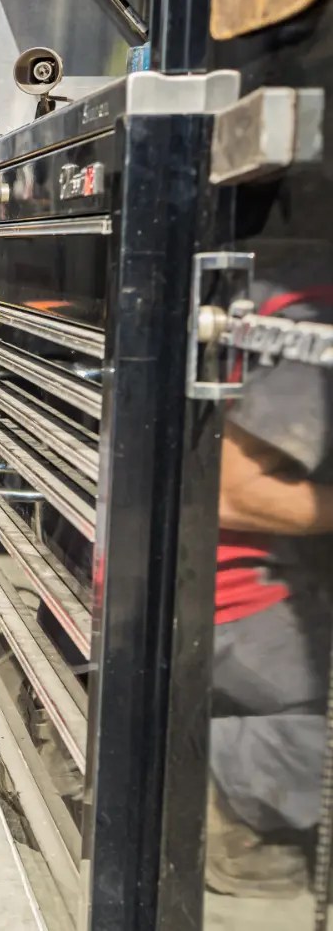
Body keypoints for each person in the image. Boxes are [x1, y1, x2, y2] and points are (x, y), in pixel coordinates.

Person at [207, 282, 333, 898]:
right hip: (226, 593)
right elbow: (234, 491)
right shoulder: (316, 326)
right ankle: (210, 781)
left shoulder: (277, 294)